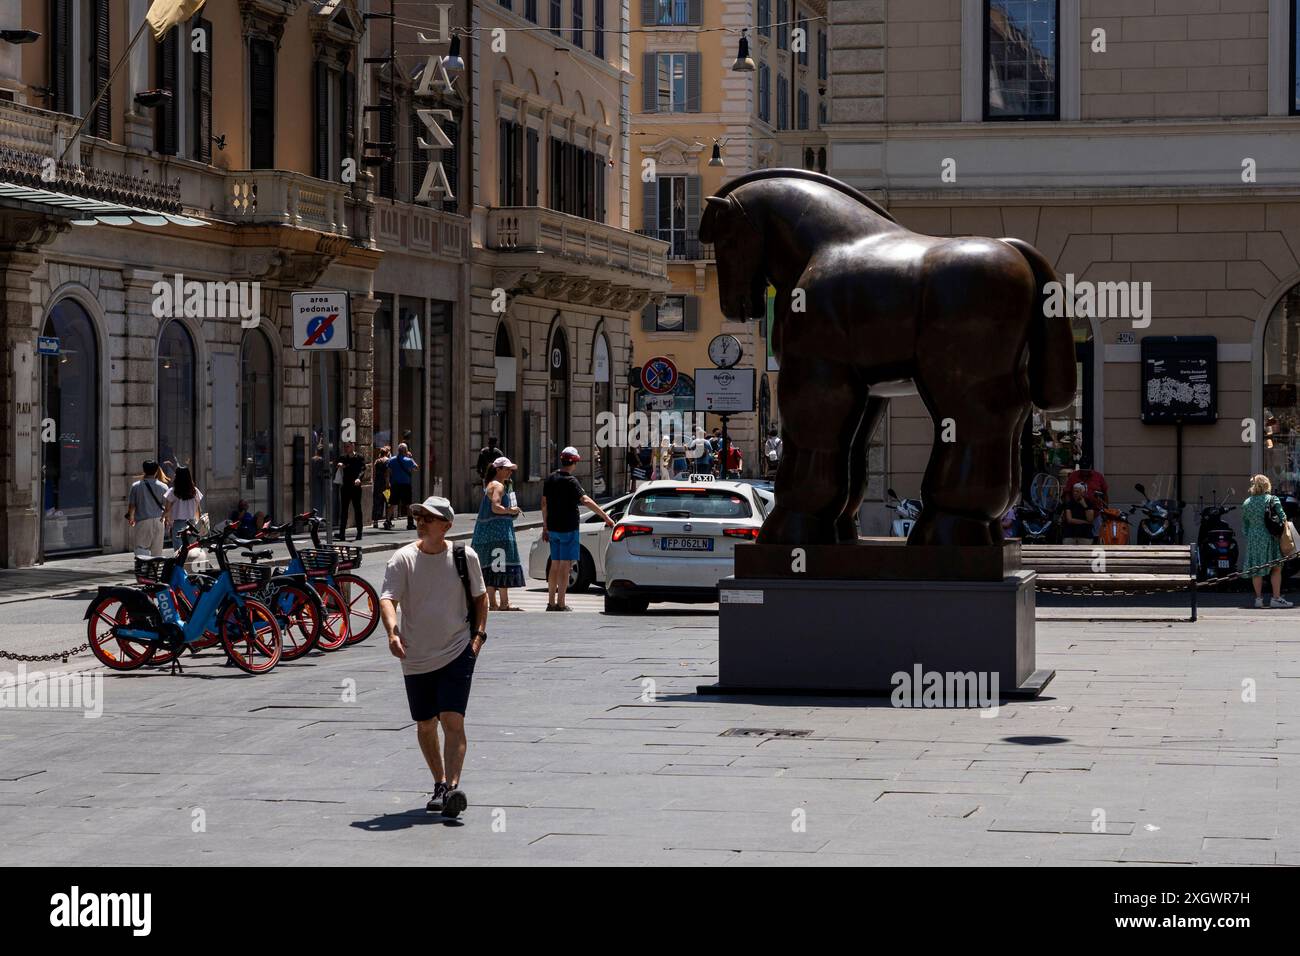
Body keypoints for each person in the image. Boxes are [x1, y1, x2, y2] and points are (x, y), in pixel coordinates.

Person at [380, 495, 488, 818]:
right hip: (415, 656)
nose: (422, 521)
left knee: (452, 720)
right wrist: (392, 631)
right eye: (420, 516)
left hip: (457, 650)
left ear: (446, 525)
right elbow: (388, 600)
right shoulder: (401, 560)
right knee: (426, 724)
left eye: (429, 517)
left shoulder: (463, 556)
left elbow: (481, 600)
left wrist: (478, 639)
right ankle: (439, 782)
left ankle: (453, 788)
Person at [541, 446, 614, 611]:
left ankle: (550, 602)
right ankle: (561, 603)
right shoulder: (571, 481)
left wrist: (545, 526)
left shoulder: (550, 479)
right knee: (566, 565)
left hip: (553, 528)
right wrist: (606, 517)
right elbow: (586, 501)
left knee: (555, 563)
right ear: (573, 463)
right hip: (569, 529)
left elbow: (544, 503)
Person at [472, 457, 526, 611]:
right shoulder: (498, 486)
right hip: (499, 532)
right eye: (507, 469)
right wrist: (511, 510)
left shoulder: (490, 484)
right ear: (498, 470)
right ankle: (504, 602)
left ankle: (493, 603)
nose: (510, 472)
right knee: (501, 566)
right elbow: (496, 507)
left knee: (491, 566)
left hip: (486, 532)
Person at [1242, 474, 1294, 609]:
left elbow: (1245, 527)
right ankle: (1276, 598)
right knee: (1276, 568)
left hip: (1254, 538)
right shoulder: (1272, 499)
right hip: (1271, 537)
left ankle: (1258, 599)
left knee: (1256, 569)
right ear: (1267, 485)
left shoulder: (1247, 502)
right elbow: (1283, 517)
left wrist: (1252, 535)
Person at [126, 460, 169, 558]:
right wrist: (167, 519)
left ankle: (144, 570)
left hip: (143, 521)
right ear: (156, 471)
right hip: (159, 520)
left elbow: (132, 505)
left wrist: (131, 518)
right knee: (157, 550)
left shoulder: (136, 486)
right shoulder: (163, 486)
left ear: (144, 470)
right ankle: (155, 570)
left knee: (141, 548)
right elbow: (167, 506)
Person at [163, 465, 206, 549]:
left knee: (179, 551)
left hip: (178, 524)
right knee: (192, 549)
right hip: (192, 523)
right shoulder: (194, 490)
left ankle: (180, 562)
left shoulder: (173, 491)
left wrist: (166, 520)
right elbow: (198, 509)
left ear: (177, 476)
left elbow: (167, 509)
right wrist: (200, 522)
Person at [336, 441, 367, 541]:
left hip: (356, 486)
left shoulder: (359, 457)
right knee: (344, 510)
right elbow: (336, 465)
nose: (346, 448)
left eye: (348, 446)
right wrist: (339, 465)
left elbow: (363, 469)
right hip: (345, 486)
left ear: (353, 446)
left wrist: (359, 478)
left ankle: (359, 532)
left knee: (357, 509)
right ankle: (342, 533)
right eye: (345, 447)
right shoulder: (343, 458)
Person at [388, 442, 420, 529]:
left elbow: (389, 471)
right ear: (406, 451)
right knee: (408, 504)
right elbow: (417, 468)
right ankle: (410, 523)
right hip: (405, 485)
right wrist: (411, 458)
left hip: (395, 485)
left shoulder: (392, 460)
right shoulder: (408, 460)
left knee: (392, 503)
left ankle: (387, 521)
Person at [372, 445, 392, 530]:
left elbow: (374, 473)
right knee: (388, 502)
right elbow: (387, 473)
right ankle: (387, 520)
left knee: (376, 503)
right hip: (385, 485)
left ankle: (375, 522)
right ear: (387, 453)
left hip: (377, 484)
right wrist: (388, 483)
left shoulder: (376, 461)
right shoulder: (388, 461)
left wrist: (375, 482)